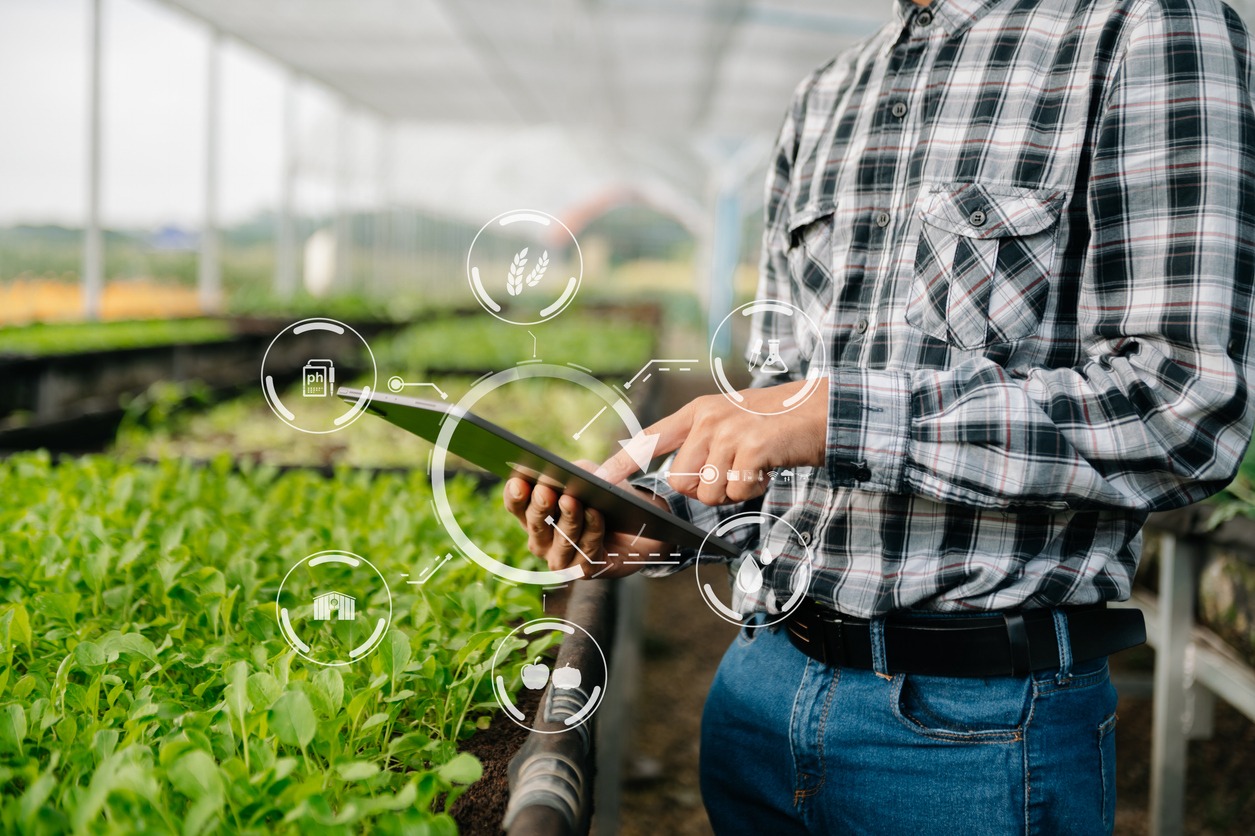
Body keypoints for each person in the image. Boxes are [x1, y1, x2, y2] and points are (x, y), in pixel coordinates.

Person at [504, 0, 1255, 830]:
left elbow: (1182, 407)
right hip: (761, 686)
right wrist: (665, 518)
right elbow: (782, 428)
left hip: (971, 732)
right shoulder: (827, 93)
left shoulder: (1140, 28)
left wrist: (833, 415)